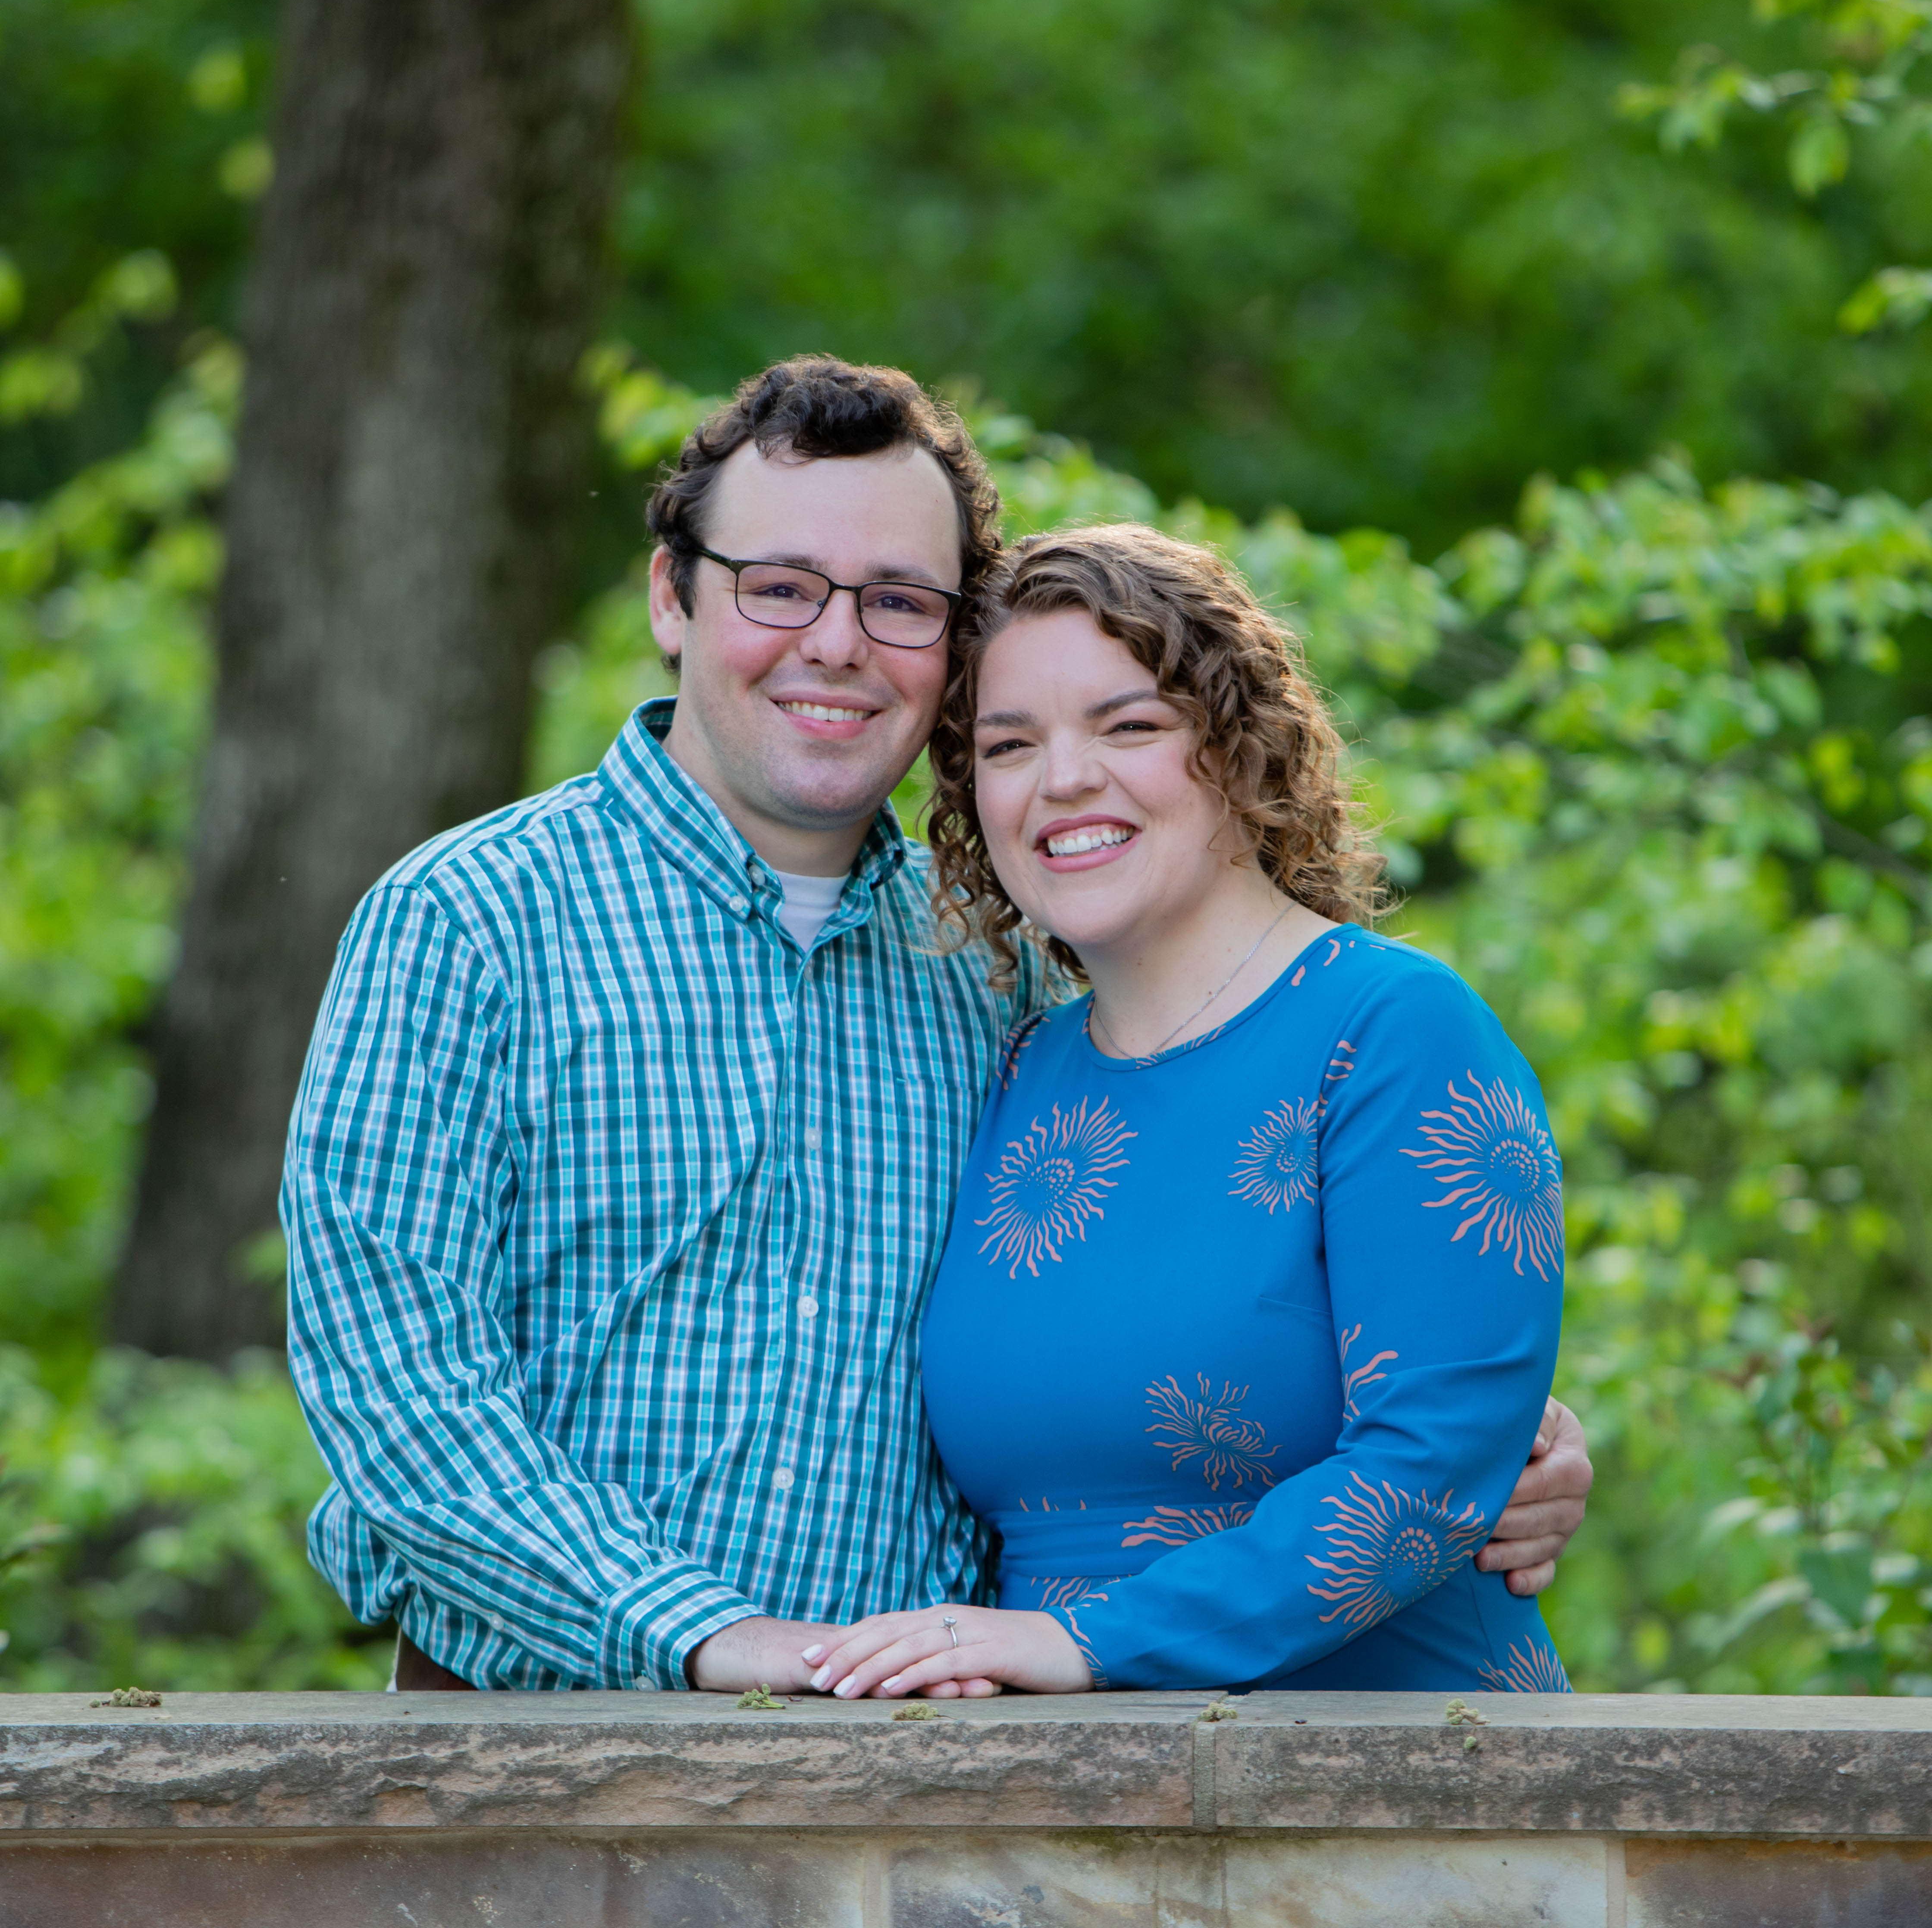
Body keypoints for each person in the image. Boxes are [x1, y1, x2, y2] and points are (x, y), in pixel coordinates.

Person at [284, 357, 1591, 1695]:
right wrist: (703, 1636)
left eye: (899, 602)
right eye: (780, 585)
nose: (837, 642)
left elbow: (1290, 1339)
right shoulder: (470, 922)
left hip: (938, 1764)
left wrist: (1501, 1442)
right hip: (541, 1743)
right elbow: (401, 1391)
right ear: (674, 598)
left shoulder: (1001, 977)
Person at [806, 523, 1573, 1701]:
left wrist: (1083, 1643)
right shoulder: (1015, 1068)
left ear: (1241, 749)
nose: (1065, 780)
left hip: (1395, 1784)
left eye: (1131, 726)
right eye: (1011, 745)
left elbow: (1430, 1466)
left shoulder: (1394, 1032)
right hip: (1074, 1811)